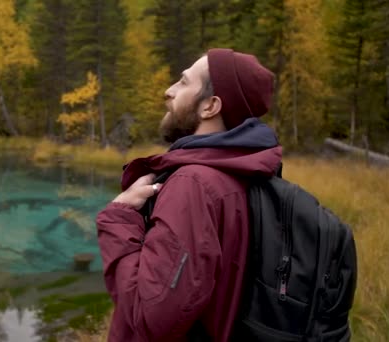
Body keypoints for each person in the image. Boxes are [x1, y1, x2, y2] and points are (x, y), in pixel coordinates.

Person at [95, 48, 283, 341]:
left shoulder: (193, 185)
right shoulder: (243, 175)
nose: (168, 91)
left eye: (183, 82)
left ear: (210, 106)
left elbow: (151, 317)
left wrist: (119, 217)